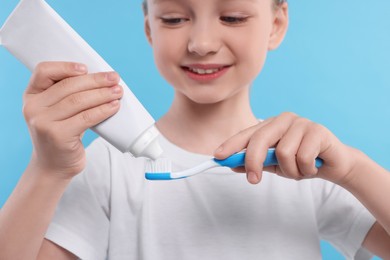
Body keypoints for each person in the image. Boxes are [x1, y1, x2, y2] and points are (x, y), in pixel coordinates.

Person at [0, 0, 389, 259]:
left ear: (276, 24)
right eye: (173, 18)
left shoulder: (303, 161)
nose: (201, 43)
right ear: (150, 27)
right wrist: (48, 169)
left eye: (232, 17)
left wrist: (353, 171)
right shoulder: (103, 167)